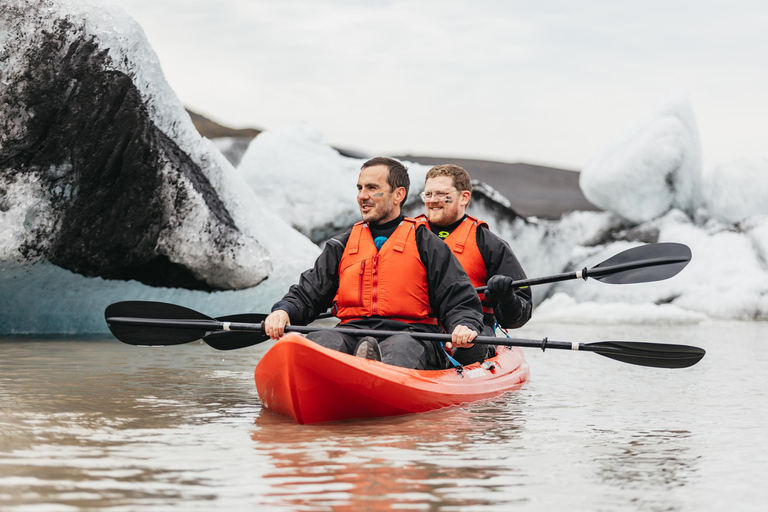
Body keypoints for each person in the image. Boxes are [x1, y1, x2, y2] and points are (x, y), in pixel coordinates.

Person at [263, 157, 484, 370]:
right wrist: (284, 311)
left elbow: (459, 299)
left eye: (371, 188)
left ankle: (371, 373)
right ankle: (344, 371)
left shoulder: (427, 243)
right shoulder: (342, 245)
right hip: (352, 331)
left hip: (414, 336)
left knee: (399, 348)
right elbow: (308, 292)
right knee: (320, 339)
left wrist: (464, 325)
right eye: (360, 188)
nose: (362, 196)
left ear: (398, 195)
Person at [417, 164, 533, 365]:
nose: (433, 200)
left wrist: (506, 297)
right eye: (428, 194)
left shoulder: (490, 245)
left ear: (464, 198)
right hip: (417, 328)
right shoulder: (408, 236)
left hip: (472, 331)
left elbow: (519, 315)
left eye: (442, 194)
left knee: (471, 344)